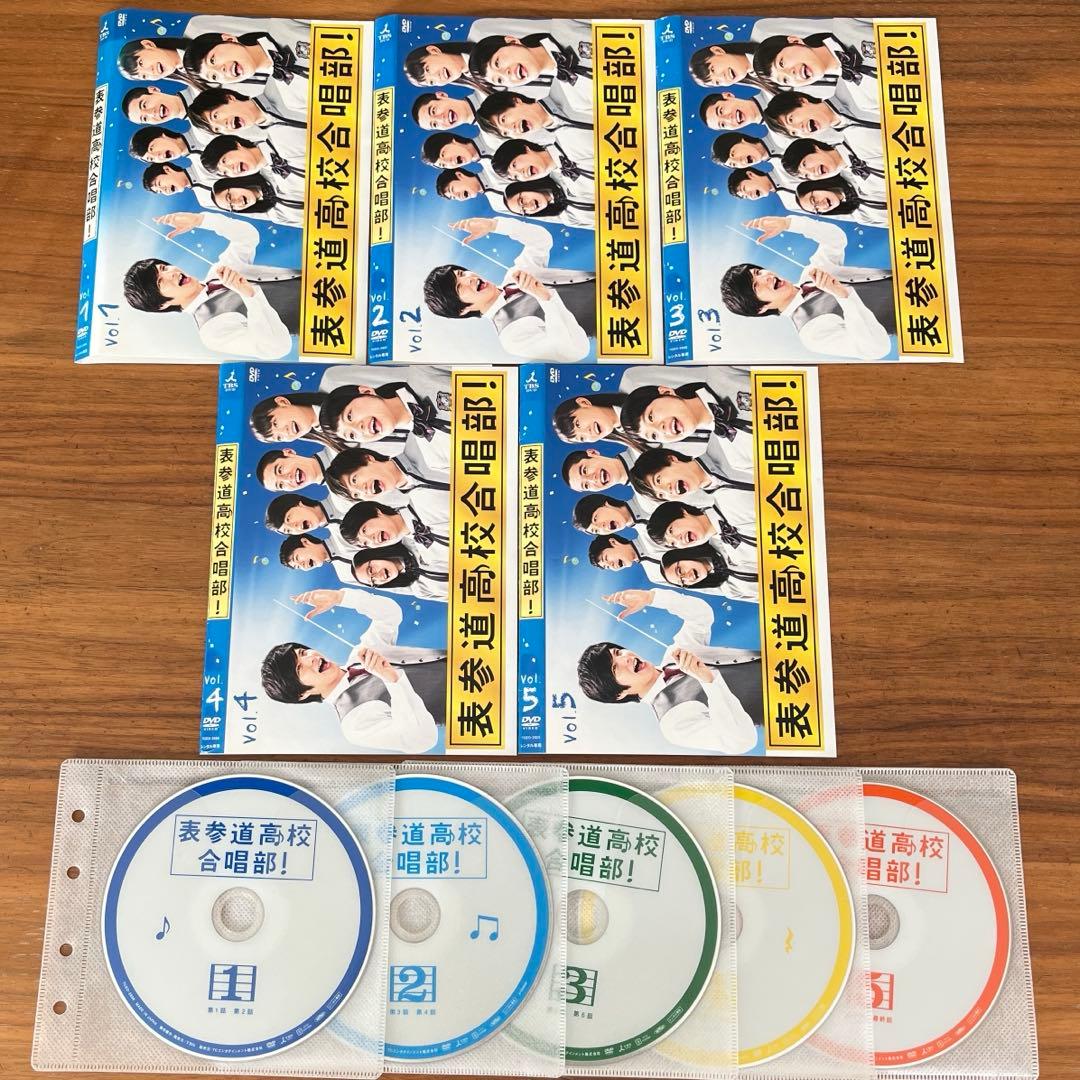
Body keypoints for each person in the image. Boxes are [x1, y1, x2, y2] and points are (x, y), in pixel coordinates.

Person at [576, 587, 762, 753]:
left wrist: (651, 598)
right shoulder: (673, 724)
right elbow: (741, 742)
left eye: (618, 652)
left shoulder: (675, 654)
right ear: (619, 695)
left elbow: (702, 615)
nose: (626, 658)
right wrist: (710, 682)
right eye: (615, 667)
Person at [260, 588, 445, 752]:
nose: (311, 658)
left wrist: (341, 598)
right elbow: (421, 740)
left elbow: (390, 615)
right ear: (301, 694)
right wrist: (394, 681)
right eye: (300, 668)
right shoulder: (354, 724)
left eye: (303, 652)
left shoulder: (360, 655)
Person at [122, 211, 298, 360]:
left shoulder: (218, 271)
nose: (171, 273)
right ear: (161, 305)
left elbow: (247, 237)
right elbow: (276, 348)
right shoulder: (211, 332)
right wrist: (251, 296)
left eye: (163, 268)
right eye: (160, 281)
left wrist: (201, 220)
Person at [720, 214, 895, 360]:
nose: (765, 277)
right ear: (760, 308)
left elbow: (835, 239)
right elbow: (876, 349)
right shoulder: (811, 333)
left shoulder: (811, 274)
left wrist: (788, 224)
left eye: (758, 272)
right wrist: (844, 297)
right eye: (756, 285)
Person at [423, 216, 594, 362]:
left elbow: (541, 240)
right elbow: (574, 352)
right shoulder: (511, 337)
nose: (469, 278)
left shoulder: (514, 275)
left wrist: (494, 225)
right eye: (459, 286)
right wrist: (547, 299)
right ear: (462, 310)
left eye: (461, 273)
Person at [319, 371, 453, 470]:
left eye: (349, 416)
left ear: (366, 391)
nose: (359, 429)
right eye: (352, 435)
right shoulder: (434, 460)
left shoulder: (426, 371)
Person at [619, 382, 754, 477]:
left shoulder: (724, 372)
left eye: (651, 417)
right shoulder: (737, 460)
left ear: (666, 392)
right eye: (654, 436)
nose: (661, 429)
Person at [468, 25, 593, 123]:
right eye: (500, 80)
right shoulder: (577, 102)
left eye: (497, 63)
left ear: (512, 41)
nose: (506, 74)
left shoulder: (567, 25)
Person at [183, 24, 312, 118]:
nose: (221, 71)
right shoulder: (291, 100)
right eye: (214, 77)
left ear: (228, 39)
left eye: (212, 60)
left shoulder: (285, 25)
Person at [752, 24, 879, 118]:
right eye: (785, 80)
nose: (791, 74)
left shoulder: (849, 24)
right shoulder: (865, 101)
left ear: (794, 41)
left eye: (781, 63)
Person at [325, 447, 449, 525]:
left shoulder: (421, 444)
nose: (363, 491)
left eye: (354, 480)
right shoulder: (424, 512)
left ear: (368, 459)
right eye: (356, 495)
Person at [763, 91, 882, 169]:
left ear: (802, 101)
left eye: (791, 119)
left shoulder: (850, 87)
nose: (800, 129)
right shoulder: (860, 149)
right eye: (794, 133)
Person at [646, 501, 758, 578]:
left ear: (683, 511)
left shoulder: (727, 501)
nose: (678, 539)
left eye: (671, 531)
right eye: (673, 543)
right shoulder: (735, 556)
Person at [629, 448, 756, 516]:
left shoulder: (724, 443)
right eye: (661, 495)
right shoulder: (728, 508)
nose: (667, 491)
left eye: (658, 480)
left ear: (671, 459)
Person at [340, 502, 450, 576]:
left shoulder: (421, 501)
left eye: (364, 530)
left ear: (377, 512)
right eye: (365, 543)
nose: (371, 539)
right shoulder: (427, 556)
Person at [476, 91, 593, 160]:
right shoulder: (569, 148)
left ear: (516, 101)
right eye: (505, 133)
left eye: (503, 119)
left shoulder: (565, 87)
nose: (511, 129)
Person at [780, 135, 886, 204]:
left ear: (815, 147)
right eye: (806, 176)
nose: (811, 172)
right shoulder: (865, 187)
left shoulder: (856, 138)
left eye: (805, 164)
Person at [491, 136, 594, 204]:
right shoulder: (574, 189)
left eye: (514, 165)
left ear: (526, 148)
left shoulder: (567, 138)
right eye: (516, 177)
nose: (520, 173)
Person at [202, 132, 306, 196]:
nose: (230, 169)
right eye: (225, 172)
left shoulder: (280, 135)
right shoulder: (283, 186)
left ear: (236, 145)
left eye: (224, 161)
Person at [189, 87, 306, 140]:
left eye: (215, 116)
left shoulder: (280, 85)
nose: (223, 125)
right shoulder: (279, 142)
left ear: (229, 98)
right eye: (217, 129)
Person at [351, 544, 449, 602]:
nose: (378, 577)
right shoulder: (420, 591)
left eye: (371, 570)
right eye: (373, 581)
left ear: (373, 555)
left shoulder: (413, 539)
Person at [661, 545, 759, 602]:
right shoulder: (731, 592)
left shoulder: (721, 540)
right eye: (682, 581)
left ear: (681, 555)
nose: (687, 577)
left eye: (679, 571)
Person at [211, 174, 303, 227]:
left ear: (232, 183)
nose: (236, 203)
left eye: (229, 197)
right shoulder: (277, 217)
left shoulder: (271, 171)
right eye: (232, 207)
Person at [502, 176, 594, 229]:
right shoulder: (569, 219)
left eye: (522, 201)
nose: (528, 207)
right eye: (524, 211)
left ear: (524, 187)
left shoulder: (560, 173)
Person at [795, 176, 887, 228]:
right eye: (816, 209)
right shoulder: (862, 218)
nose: (821, 205)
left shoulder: (852, 173)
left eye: (814, 200)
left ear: (815, 186)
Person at [689, 41, 776, 92]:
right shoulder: (768, 88)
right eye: (717, 82)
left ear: (717, 51)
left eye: (713, 69)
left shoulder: (764, 36)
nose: (722, 77)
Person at [588, 534, 668, 588]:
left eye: (606, 558)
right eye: (607, 567)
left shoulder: (649, 534)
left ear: (613, 542)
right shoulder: (654, 576)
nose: (611, 565)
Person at [279, 533, 358, 585]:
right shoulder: (344, 576)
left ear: (305, 542)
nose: (302, 565)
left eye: (297, 558)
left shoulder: (341, 532)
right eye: (298, 567)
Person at [142, 162, 216, 210]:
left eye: (159, 184)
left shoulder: (202, 163)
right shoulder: (204, 201)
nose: (164, 190)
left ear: (167, 170)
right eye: (160, 191)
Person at [561, 447, 636, 493]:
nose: (592, 479)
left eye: (584, 470)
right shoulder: (642, 501)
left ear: (593, 453)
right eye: (586, 485)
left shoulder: (640, 443)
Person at [727, 166, 800, 213]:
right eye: (745, 197)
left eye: (744, 188)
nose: (750, 195)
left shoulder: (784, 166)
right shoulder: (789, 204)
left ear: (750, 174)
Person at [265, 493, 342, 536]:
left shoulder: (340, 494)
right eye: (288, 530)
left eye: (288, 519)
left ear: (299, 504)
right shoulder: (339, 537)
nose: (293, 527)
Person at [435, 168, 506, 213]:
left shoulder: (493, 167)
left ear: (460, 175)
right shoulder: (497, 205)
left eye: (452, 189)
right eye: (453, 197)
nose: (458, 196)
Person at [699, 91, 768, 132]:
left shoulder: (771, 86)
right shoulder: (774, 136)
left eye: (721, 111)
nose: (728, 119)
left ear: (728, 95)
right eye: (722, 124)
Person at [710, 132, 783, 170]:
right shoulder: (781, 169)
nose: (739, 161)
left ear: (742, 140)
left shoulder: (778, 132)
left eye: (733, 154)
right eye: (734, 164)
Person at [129, 125, 200, 164]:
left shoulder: (199, 127)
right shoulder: (199, 166)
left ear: (162, 135)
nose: (156, 156)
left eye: (151, 148)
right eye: (151, 159)